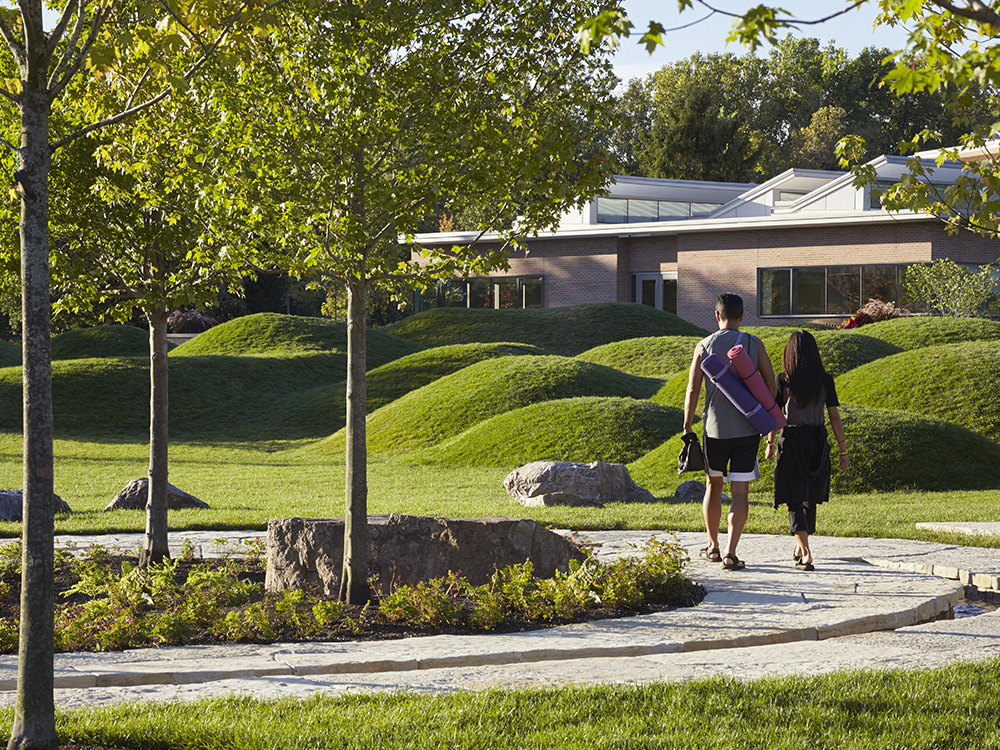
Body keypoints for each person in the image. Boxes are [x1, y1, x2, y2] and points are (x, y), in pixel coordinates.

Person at [683, 293, 775, 571]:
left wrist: (687, 425)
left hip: (714, 429)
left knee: (713, 485)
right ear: (742, 316)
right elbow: (771, 385)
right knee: (741, 492)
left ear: (716, 315)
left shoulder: (703, 346)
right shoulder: (753, 343)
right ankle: (731, 554)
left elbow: (692, 389)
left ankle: (712, 547)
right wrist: (764, 420)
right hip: (747, 428)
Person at [764, 329, 849, 571]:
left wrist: (770, 443)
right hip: (817, 441)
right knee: (809, 495)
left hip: (791, 440)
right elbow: (834, 417)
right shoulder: (825, 380)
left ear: (789, 353)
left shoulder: (784, 379)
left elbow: (775, 414)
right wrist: (843, 451)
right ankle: (801, 545)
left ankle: (805, 552)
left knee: (793, 496)